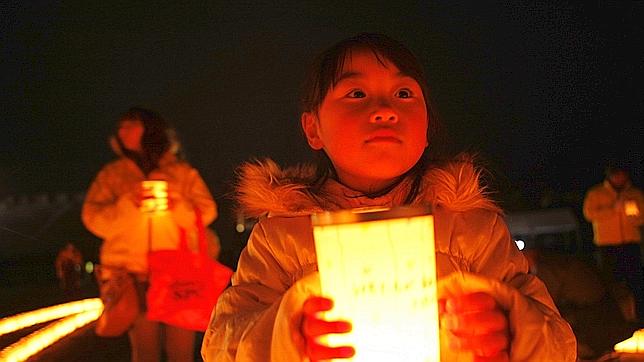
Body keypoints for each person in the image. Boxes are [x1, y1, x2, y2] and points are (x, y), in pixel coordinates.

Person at [202, 33, 576, 361]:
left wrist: (511, 329)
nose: (384, 110)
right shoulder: (281, 238)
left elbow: (557, 342)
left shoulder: (473, 230)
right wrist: (286, 334)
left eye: (403, 93)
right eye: (356, 93)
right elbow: (222, 343)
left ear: (427, 126)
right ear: (313, 128)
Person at [82, 107, 217, 362]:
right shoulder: (113, 175)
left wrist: (174, 204)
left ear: (150, 128)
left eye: (130, 124)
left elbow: (207, 212)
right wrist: (127, 205)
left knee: (181, 353)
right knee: (145, 353)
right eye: (120, 126)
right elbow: (92, 218)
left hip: (179, 276)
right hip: (133, 278)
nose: (122, 130)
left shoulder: (181, 172)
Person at [583, 165, 644, 325]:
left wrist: (633, 216)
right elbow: (589, 214)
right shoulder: (596, 194)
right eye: (616, 176)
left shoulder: (634, 194)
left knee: (635, 280)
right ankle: (613, 317)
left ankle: (637, 316)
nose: (619, 179)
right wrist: (612, 209)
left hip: (630, 243)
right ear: (610, 176)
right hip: (607, 245)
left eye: (622, 175)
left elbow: (641, 217)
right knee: (610, 282)